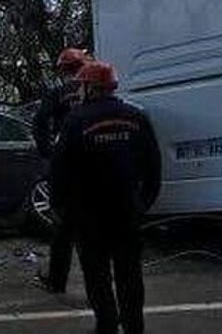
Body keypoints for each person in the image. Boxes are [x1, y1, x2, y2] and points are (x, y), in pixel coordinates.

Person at [50, 61, 162, 334]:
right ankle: (135, 327)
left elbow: (59, 170)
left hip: (89, 216)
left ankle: (107, 325)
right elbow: (153, 167)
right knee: (130, 275)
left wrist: (61, 208)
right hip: (126, 212)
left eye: (81, 86)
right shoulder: (136, 116)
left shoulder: (75, 120)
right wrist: (142, 204)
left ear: (89, 88)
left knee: (97, 276)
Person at [32, 47, 89, 293]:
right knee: (92, 227)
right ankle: (97, 283)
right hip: (94, 166)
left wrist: (48, 152)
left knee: (63, 226)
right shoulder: (93, 89)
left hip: (65, 165)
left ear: (63, 70)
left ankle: (57, 281)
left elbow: (39, 122)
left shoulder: (57, 93)